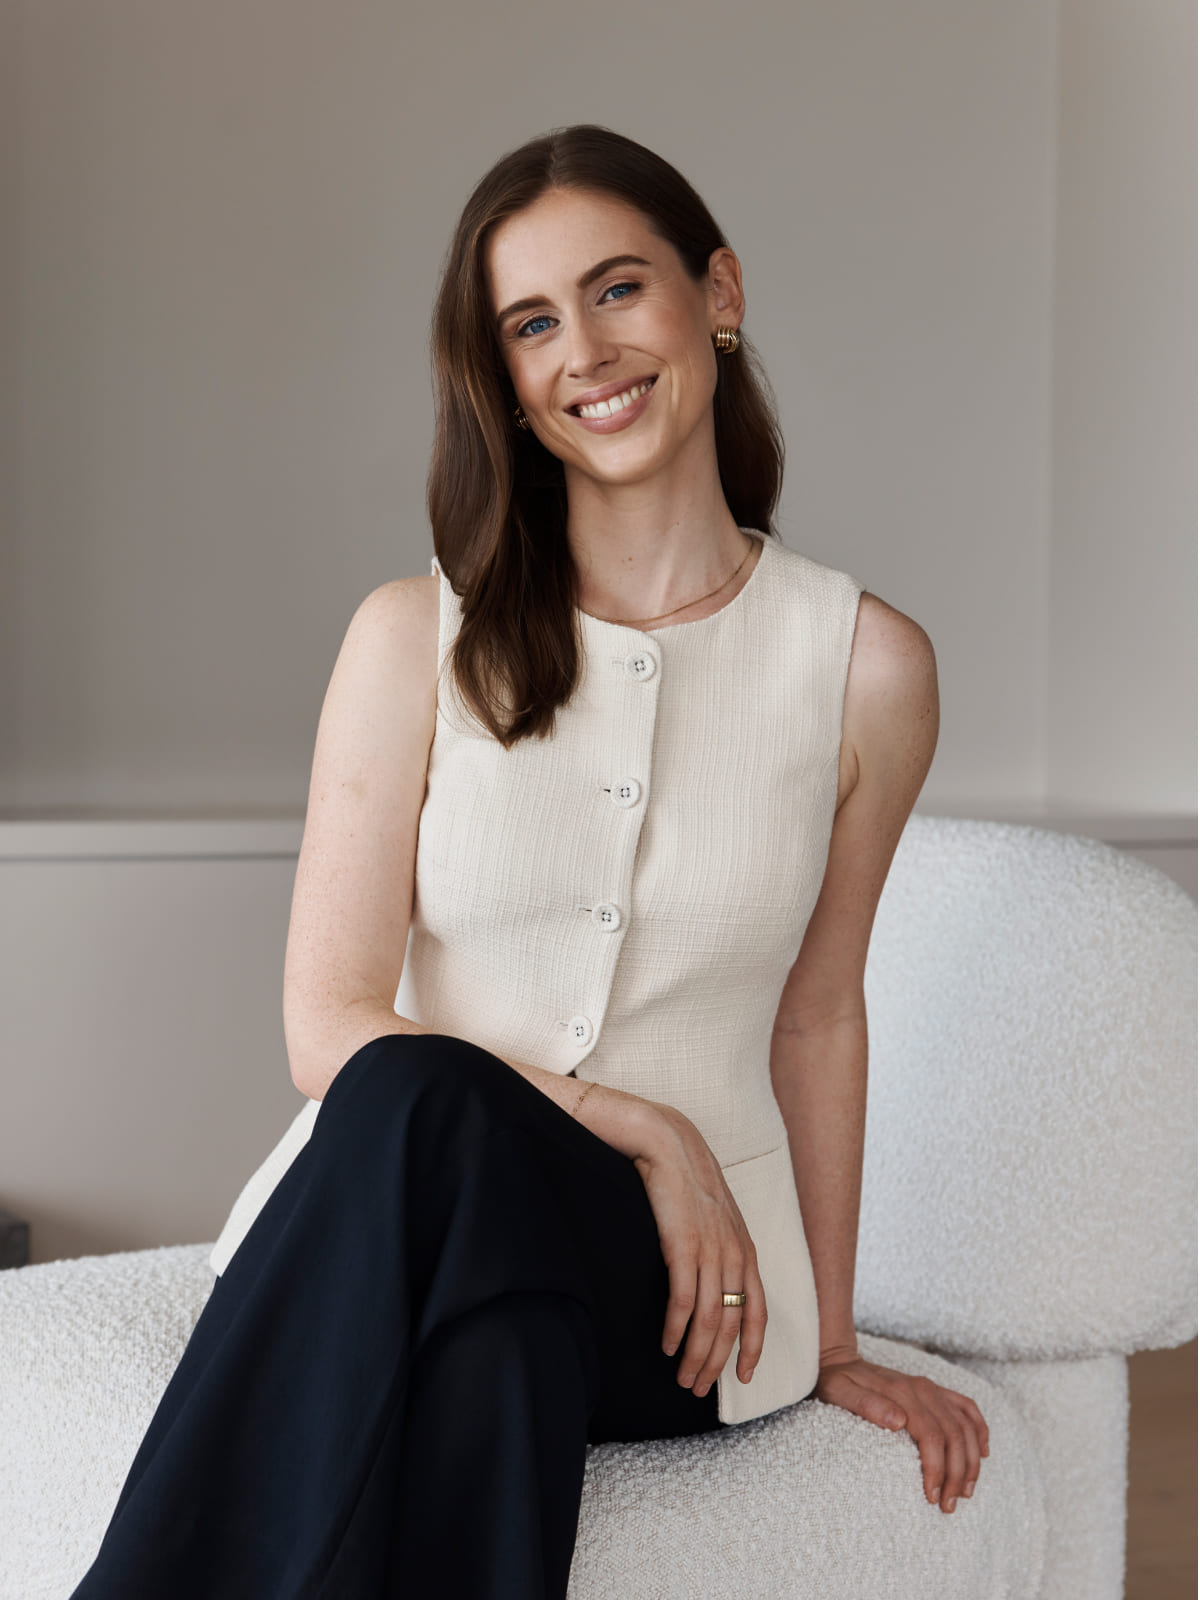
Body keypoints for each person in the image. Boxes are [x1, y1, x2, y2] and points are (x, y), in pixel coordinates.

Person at [70, 123, 989, 1599]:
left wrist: (836, 1343)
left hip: (684, 1300)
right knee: (488, 1311)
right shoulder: (405, 639)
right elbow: (331, 1027)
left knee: (451, 1142)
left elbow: (820, 1010)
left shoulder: (865, 668)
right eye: (534, 324)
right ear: (504, 378)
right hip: (406, 1232)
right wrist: (637, 1125)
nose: (588, 351)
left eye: (620, 290)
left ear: (721, 296)